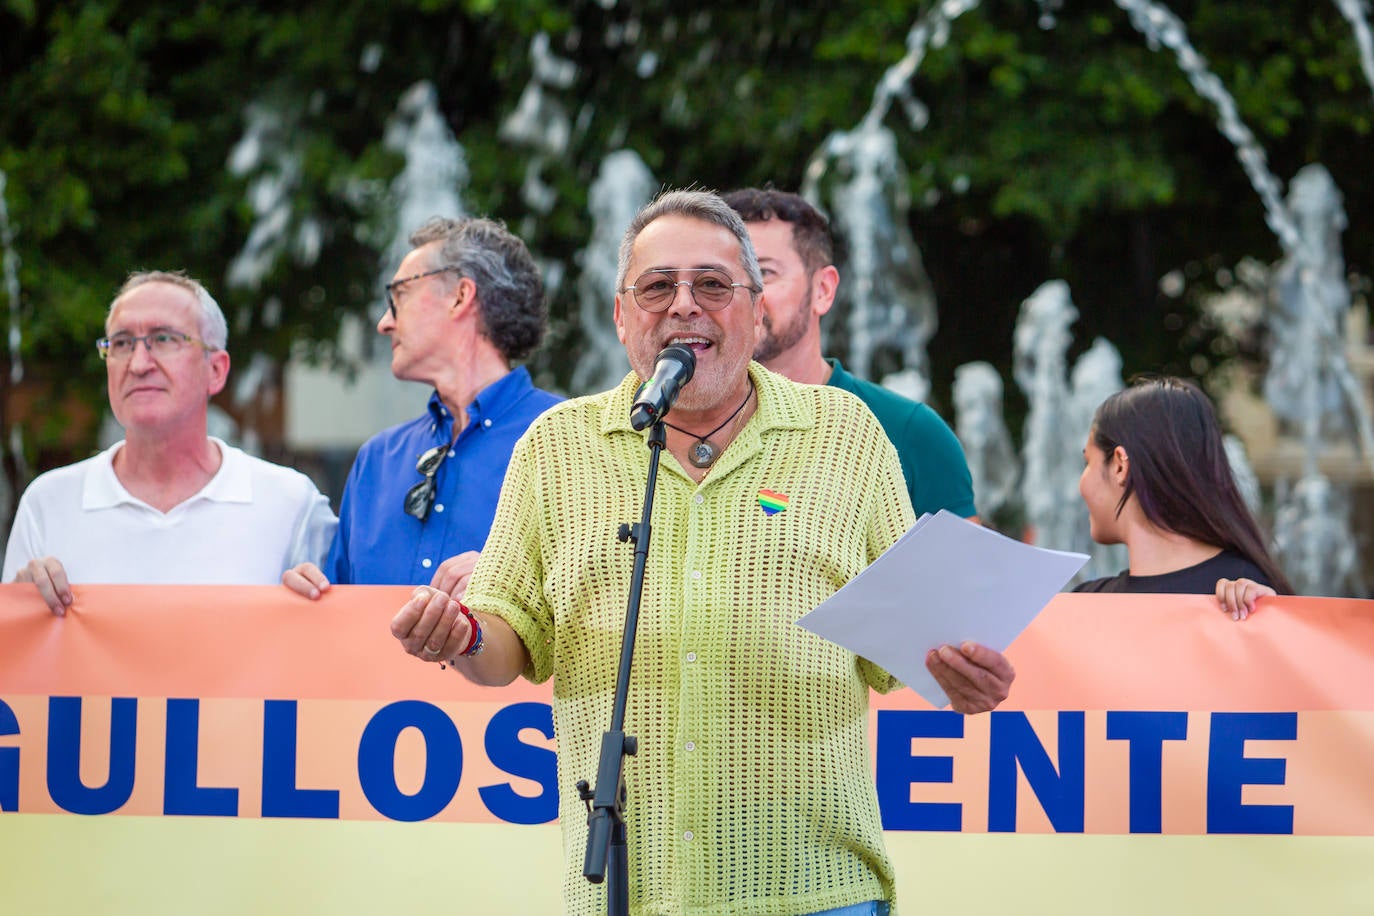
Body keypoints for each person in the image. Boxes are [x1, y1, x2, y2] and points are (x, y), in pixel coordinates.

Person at [390, 190, 1014, 915]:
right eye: (657, 287)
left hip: (815, 893)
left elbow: (903, 643)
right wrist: (461, 634)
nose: (684, 306)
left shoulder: (848, 435)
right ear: (623, 317)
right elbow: (507, 637)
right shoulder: (555, 448)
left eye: (712, 286)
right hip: (628, 893)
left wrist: (959, 670)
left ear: (755, 312)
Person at [3, 270, 337, 615]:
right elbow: (13, 662)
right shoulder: (49, 504)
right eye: (121, 343)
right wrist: (18, 609)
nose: (138, 363)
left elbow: (337, 650)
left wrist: (315, 609)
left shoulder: (291, 505)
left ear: (217, 371)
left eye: (163, 339)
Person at [282, 217, 561, 599]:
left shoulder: (571, 441)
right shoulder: (376, 460)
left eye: (398, 295)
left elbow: (610, 605)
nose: (384, 323)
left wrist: (513, 580)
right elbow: (338, 615)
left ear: (460, 297)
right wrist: (309, 597)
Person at [721, 187, 978, 520]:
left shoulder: (908, 433)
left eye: (764, 273)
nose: (744, 294)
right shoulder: (672, 432)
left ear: (823, 290)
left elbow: (966, 570)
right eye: (720, 279)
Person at [1073, 376, 1294, 619]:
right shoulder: (1085, 602)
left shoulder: (1247, 599)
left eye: (1087, 462)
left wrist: (1273, 620)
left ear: (1119, 466)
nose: (1080, 484)